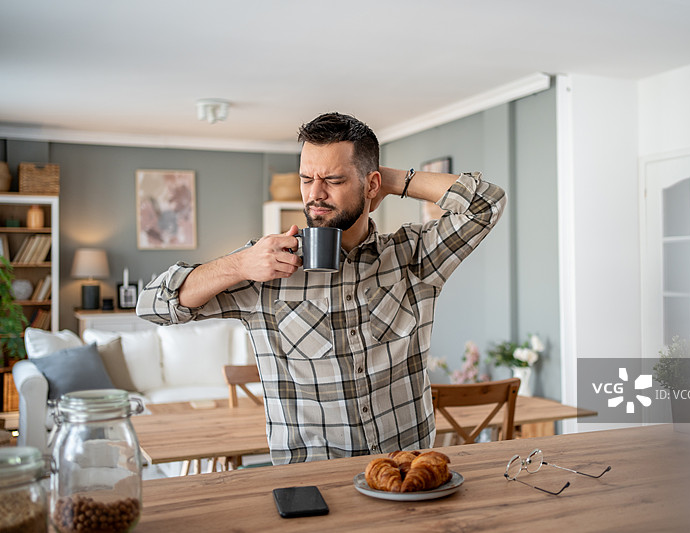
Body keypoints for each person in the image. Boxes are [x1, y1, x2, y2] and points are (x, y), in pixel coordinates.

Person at [137, 112, 506, 464]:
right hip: (313, 482)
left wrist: (390, 181)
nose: (315, 194)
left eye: (333, 180)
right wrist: (239, 265)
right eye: (306, 179)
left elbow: (486, 204)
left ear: (370, 184)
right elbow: (153, 305)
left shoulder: (413, 256)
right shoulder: (266, 265)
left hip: (407, 473)